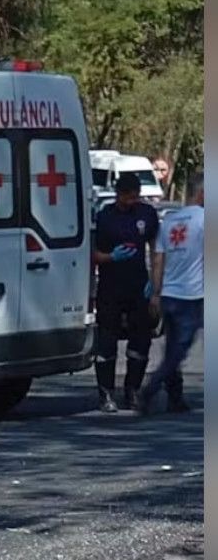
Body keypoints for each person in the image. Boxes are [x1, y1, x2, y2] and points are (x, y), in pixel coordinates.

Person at [91, 172, 160, 412]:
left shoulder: (146, 214)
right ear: (118, 194)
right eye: (128, 197)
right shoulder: (105, 217)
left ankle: (132, 390)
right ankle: (106, 393)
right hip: (110, 287)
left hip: (138, 286)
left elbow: (156, 249)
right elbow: (92, 254)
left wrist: (155, 283)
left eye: (135, 197)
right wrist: (111, 257)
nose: (132, 202)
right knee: (107, 343)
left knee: (141, 342)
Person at [137, 172, 203, 414]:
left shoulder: (171, 221)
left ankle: (176, 397)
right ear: (203, 193)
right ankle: (150, 389)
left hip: (169, 295)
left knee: (173, 345)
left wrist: (155, 293)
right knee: (178, 350)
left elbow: (157, 260)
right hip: (191, 295)